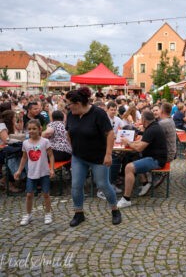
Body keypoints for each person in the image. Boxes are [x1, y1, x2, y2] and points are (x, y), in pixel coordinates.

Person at [66, 87, 122, 227]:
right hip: (79, 157)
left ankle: (115, 210)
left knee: (103, 184)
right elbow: (69, 132)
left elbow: (110, 134)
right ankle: (79, 213)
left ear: (78, 103)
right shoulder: (71, 114)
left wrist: (108, 154)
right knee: (76, 185)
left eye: (69, 104)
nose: (68, 107)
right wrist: (73, 148)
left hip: (99, 157)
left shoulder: (98, 113)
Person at [117, 111, 168, 208]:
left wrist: (128, 142)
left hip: (156, 160)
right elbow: (139, 142)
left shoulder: (152, 130)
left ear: (144, 120)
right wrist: (130, 142)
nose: (140, 121)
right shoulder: (153, 127)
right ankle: (145, 183)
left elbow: (139, 147)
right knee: (131, 157)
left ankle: (126, 199)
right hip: (153, 156)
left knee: (129, 167)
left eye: (141, 119)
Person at [14, 119, 55, 226]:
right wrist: (19, 170)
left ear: (40, 129)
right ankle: (28, 214)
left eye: (34, 128)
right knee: (29, 195)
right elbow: (24, 158)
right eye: (29, 129)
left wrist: (51, 169)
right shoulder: (25, 143)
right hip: (31, 174)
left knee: (46, 194)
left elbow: (51, 155)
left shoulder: (45, 142)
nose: (31, 131)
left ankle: (48, 213)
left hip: (44, 173)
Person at [152, 102, 176, 188]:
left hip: (167, 154)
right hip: (171, 151)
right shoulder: (170, 120)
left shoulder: (163, 123)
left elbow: (152, 138)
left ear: (161, 111)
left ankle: (148, 180)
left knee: (140, 154)